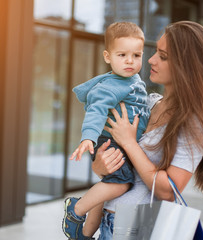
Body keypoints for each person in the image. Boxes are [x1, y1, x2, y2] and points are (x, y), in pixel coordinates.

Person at [91, 21, 203, 239]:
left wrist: (129, 142)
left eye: (163, 56)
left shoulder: (194, 123)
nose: (151, 60)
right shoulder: (148, 104)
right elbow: (120, 166)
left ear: (187, 67)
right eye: (156, 52)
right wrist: (101, 165)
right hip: (109, 223)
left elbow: (168, 190)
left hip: (139, 229)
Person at [62, 22, 150, 240]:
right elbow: (96, 110)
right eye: (122, 55)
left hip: (121, 143)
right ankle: (76, 210)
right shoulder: (111, 85)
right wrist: (88, 137)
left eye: (136, 55)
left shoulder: (134, 80)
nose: (130, 61)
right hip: (109, 141)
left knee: (109, 185)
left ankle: (84, 233)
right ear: (107, 57)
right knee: (121, 184)